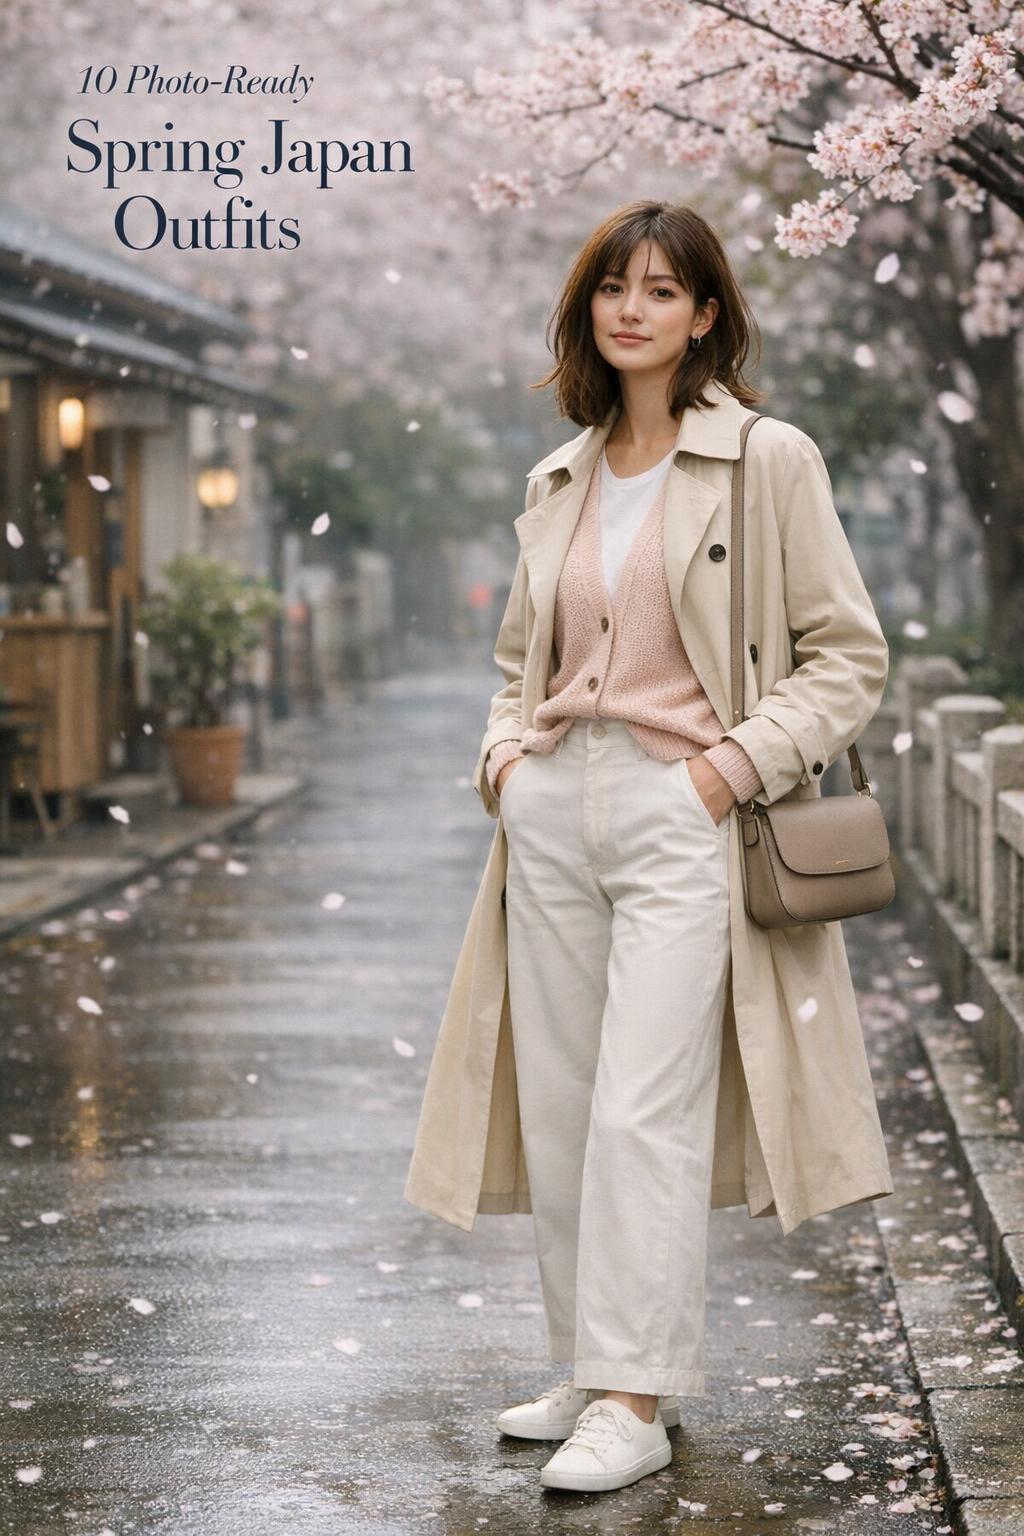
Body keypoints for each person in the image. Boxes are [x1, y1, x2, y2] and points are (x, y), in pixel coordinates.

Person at [402, 198, 894, 1496]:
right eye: (614, 287)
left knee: (642, 1107)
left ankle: (636, 1398)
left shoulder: (766, 459)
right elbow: (520, 661)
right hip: (555, 808)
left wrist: (725, 774)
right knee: (564, 1104)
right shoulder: (558, 478)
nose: (634, 309)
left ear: (706, 315)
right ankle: (586, 1364)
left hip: (687, 811)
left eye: (664, 290)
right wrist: (507, 762)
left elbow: (848, 656)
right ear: (588, 310)